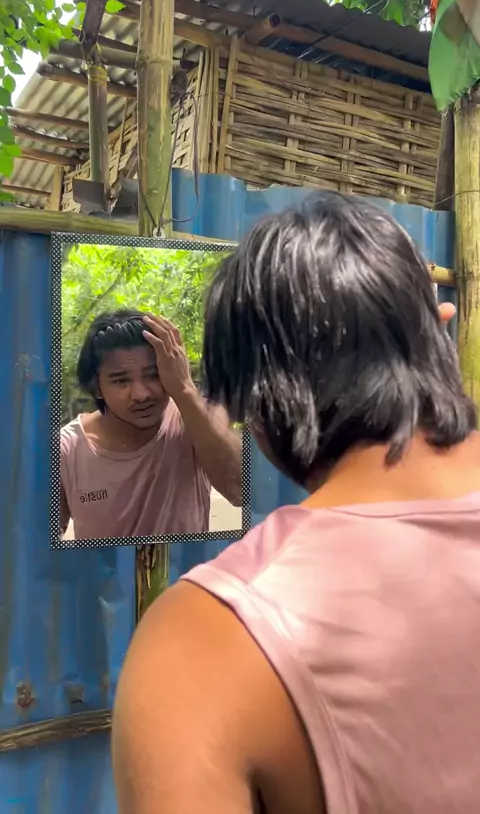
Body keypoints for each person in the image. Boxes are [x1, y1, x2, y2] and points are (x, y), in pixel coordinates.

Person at [112, 193, 480, 814]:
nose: (142, 393)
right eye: (122, 379)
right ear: (442, 327)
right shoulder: (78, 444)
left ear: (252, 403)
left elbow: (231, 482)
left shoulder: (205, 638)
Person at [60, 310, 242, 540]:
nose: (141, 394)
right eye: (121, 380)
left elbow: (240, 491)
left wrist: (184, 388)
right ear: (97, 388)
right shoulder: (67, 449)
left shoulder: (196, 419)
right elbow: (38, 544)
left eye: (153, 375)